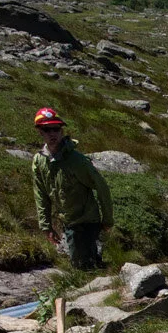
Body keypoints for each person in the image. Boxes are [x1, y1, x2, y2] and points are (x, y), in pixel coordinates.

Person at [29, 106, 114, 271]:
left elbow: (101, 187)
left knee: (84, 265)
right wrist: (46, 226)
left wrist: (107, 219)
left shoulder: (77, 160)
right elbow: (40, 194)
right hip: (68, 221)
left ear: (61, 131)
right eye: (47, 130)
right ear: (40, 132)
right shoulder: (39, 161)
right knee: (81, 263)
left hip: (88, 220)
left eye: (56, 129)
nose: (52, 134)